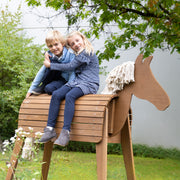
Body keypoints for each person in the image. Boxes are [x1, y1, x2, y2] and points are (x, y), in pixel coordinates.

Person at [39, 31, 99, 146]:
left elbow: (70, 66)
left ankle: (65, 132)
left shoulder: (87, 52)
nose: (75, 44)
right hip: (77, 82)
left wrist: (50, 65)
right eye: (72, 44)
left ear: (83, 39)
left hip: (89, 83)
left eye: (77, 41)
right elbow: (59, 47)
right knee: (56, 94)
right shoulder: (78, 54)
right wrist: (48, 53)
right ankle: (50, 129)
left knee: (70, 96)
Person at [26, 30, 75, 98]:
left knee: (50, 88)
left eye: (56, 44)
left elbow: (73, 72)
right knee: (52, 63)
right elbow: (42, 72)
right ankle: (43, 85)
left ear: (62, 43)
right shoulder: (50, 55)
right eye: (50, 46)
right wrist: (30, 89)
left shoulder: (70, 54)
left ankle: (58, 90)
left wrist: (69, 87)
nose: (54, 48)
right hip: (57, 78)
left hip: (67, 81)